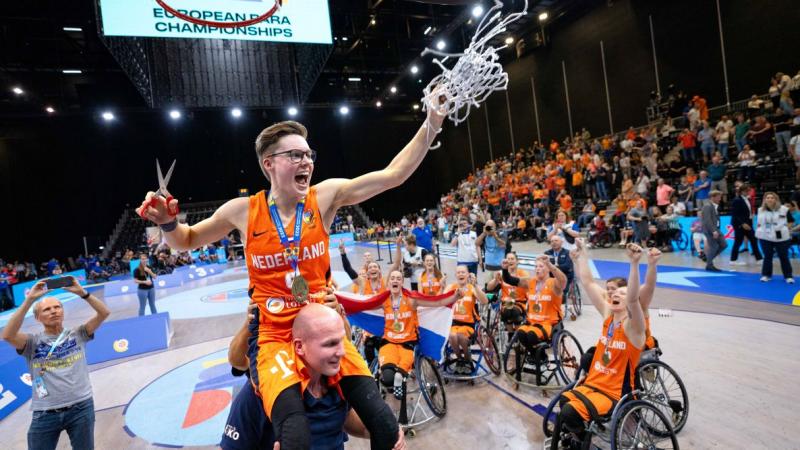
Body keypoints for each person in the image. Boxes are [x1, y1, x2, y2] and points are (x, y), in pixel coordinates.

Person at [137, 106, 447, 449]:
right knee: (295, 435)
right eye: (295, 155)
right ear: (269, 163)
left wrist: (431, 122)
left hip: (320, 328)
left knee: (386, 428)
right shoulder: (242, 211)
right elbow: (188, 239)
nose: (307, 162)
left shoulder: (325, 197)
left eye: (309, 155)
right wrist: (166, 222)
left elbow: (395, 174)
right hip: (273, 332)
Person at [221, 305, 406, 450]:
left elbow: (355, 425)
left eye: (342, 341)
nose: (342, 352)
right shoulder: (260, 394)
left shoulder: (338, 381)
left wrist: (389, 430)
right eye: (330, 344)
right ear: (300, 346)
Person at [1, 277, 110, 450]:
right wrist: (30, 300)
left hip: (81, 408)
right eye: (46, 309)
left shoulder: (78, 334)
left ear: (63, 311)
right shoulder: (31, 343)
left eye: (57, 307)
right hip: (45, 413)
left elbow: (104, 313)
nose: (53, 311)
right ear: (37, 318)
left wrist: (83, 293)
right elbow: (7, 335)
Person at [552, 244, 645, 444]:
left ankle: (583, 439)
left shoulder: (633, 328)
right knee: (564, 400)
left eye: (621, 293)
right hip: (595, 384)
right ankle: (580, 438)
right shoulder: (608, 316)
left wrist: (635, 264)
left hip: (614, 392)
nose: (614, 295)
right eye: (612, 293)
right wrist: (581, 256)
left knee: (569, 413)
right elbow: (587, 281)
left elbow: (635, 300)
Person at [378, 269, 457, 399]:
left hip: (408, 344)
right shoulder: (383, 301)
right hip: (389, 343)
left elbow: (436, 302)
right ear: (389, 282)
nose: (395, 280)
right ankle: (394, 384)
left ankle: (400, 383)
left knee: (399, 375)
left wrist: (455, 297)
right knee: (387, 378)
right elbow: (363, 305)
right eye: (392, 278)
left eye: (398, 278)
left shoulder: (411, 300)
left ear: (402, 282)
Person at [501, 255, 566, 358]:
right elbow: (510, 280)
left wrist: (549, 264)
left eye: (541, 266)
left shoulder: (554, 283)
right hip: (532, 321)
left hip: (549, 323)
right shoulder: (530, 282)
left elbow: (563, 281)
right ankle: (534, 354)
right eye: (536, 266)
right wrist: (504, 270)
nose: (537, 269)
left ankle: (540, 356)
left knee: (531, 335)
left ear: (548, 269)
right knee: (521, 333)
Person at [446, 267, 489, 374]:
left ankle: (467, 358)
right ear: (456, 275)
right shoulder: (451, 287)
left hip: (469, 324)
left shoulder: (472, 287)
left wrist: (475, 285)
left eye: (463, 272)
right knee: (451, 335)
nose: (460, 274)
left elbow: (485, 301)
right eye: (458, 272)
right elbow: (441, 300)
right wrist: (443, 288)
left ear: (467, 275)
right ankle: (460, 359)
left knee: (460, 335)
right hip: (453, 323)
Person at [755, 192, 794, 283]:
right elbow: (759, 223)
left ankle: (788, 276)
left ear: (776, 199)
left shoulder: (784, 209)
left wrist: (785, 228)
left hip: (781, 237)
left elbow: (791, 221)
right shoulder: (760, 210)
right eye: (767, 198)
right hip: (765, 236)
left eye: (772, 198)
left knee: (783, 257)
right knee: (767, 256)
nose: (769, 199)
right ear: (765, 200)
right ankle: (766, 275)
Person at [730, 184, 763, 266]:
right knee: (738, 242)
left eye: (749, 190)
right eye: (747, 190)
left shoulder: (747, 199)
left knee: (754, 240)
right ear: (742, 191)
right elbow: (735, 214)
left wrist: (749, 223)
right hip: (739, 225)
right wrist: (742, 224)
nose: (749, 192)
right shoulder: (737, 200)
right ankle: (733, 260)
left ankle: (759, 259)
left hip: (748, 224)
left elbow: (748, 213)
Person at [701, 190, 728, 272]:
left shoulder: (714, 206)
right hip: (710, 230)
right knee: (714, 246)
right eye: (718, 197)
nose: (720, 199)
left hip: (716, 229)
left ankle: (708, 258)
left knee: (724, 244)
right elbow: (707, 220)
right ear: (712, 197)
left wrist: (716, 229)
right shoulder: (707, 206)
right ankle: (709, 265)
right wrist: (713, 231)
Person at [544, 235, 574, 300]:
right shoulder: (547, 253)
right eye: (552, 241)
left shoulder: (568, 252)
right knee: (547, 293)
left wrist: (553, 268)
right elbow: (544, 266)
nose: (554, 243)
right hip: (551, 278)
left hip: (565, 277)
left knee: (560, 297)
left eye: (556, 241)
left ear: (561, 242)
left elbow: (567, 266)